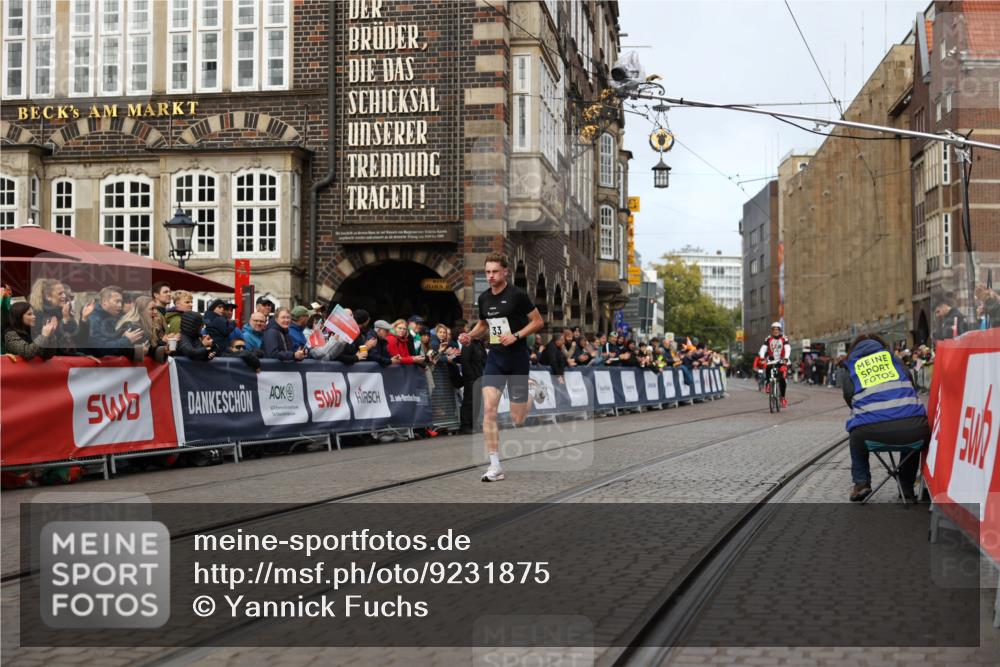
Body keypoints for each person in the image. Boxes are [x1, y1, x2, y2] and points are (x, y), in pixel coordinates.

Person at [457, 252, 544, 482]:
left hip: (516, 359)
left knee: (517, 418)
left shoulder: (517, 295)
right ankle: (495, 466)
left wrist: (516, 335)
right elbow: (484, 325)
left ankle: (533, 390)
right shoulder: (484, 298)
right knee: (489, 411)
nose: (491, 276)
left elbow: (538, 322)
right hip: (495, 359)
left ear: (505, 271)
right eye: (487, 272)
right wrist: (470, 336)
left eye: (495, 271)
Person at [839, 334, 929, 502]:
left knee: (855, 434)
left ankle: (861, 483)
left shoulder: (851, 366)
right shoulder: (896, 361)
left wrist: (871, 411)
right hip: (916, 430)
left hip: (871, 432)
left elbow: (849, 397)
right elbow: (912, 386)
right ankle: (906, 487)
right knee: (913, 431)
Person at [88, 286, 144, 357]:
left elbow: (112, 343)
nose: (120, 305)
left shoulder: (112, 318)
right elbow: (101, 349)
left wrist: (122, 338)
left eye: (121, 302)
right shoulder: (94, 320)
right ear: (105, 302)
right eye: (117, 301)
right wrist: (126, 340)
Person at [28, 278, 78, 354]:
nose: (64, 296)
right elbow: (52, 343)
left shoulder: (62, 312)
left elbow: (77, 337)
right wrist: (64, 320)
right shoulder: (38, 315)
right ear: (48, 296)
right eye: (60, 293)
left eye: (64, 293)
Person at [115, 296, 168, 362]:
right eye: (152, 309)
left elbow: (149, 348)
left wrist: (164, 346)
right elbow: (144, 351)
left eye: (156, 309)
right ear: (141, 311)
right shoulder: (134, 327)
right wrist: (162, 346)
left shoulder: (146, 326)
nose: (156, 312)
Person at [758, 321, 791, 408]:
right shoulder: (768, 338)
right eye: (774, 329)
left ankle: (782, 397)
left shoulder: (784, 338)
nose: (775, 331)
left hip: (782, 360)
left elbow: (787, 348)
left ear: (780, 330)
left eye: (777, 329)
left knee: (782, 378)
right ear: (772, 330)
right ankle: (768, 383)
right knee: (767, 366)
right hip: (771, 359)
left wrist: (786, 358)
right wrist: (762, 358)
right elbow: (763, 348)